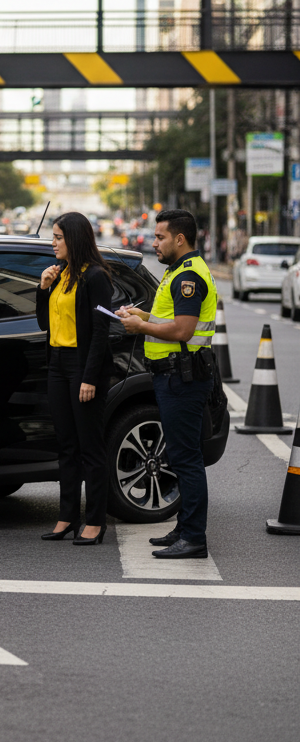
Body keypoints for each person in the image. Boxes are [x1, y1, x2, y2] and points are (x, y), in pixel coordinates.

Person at [117, 208, 218, 560]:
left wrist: (141, 328)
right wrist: (142, 315)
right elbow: (169, 319)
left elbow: (183, 330)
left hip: (182, 377)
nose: (153, 242)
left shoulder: (188, 277)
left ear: (180, 238)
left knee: (186, 458)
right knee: (178, 454)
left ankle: (193, 538)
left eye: (160, 237)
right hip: (174, 376)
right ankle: (184, 527)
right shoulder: (177, 272)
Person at [36, 211, 116, 545]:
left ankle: (96, 521)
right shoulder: (61, 274)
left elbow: (100, 332)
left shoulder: (95, 277)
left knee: (90, 447)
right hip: (57, 363)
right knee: (66, 446)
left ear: (74, 239)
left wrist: (89, 377)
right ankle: (67, 516)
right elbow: (45, 324)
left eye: (57, 237)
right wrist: (43, 288)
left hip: (82, 365)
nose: (52, 243)